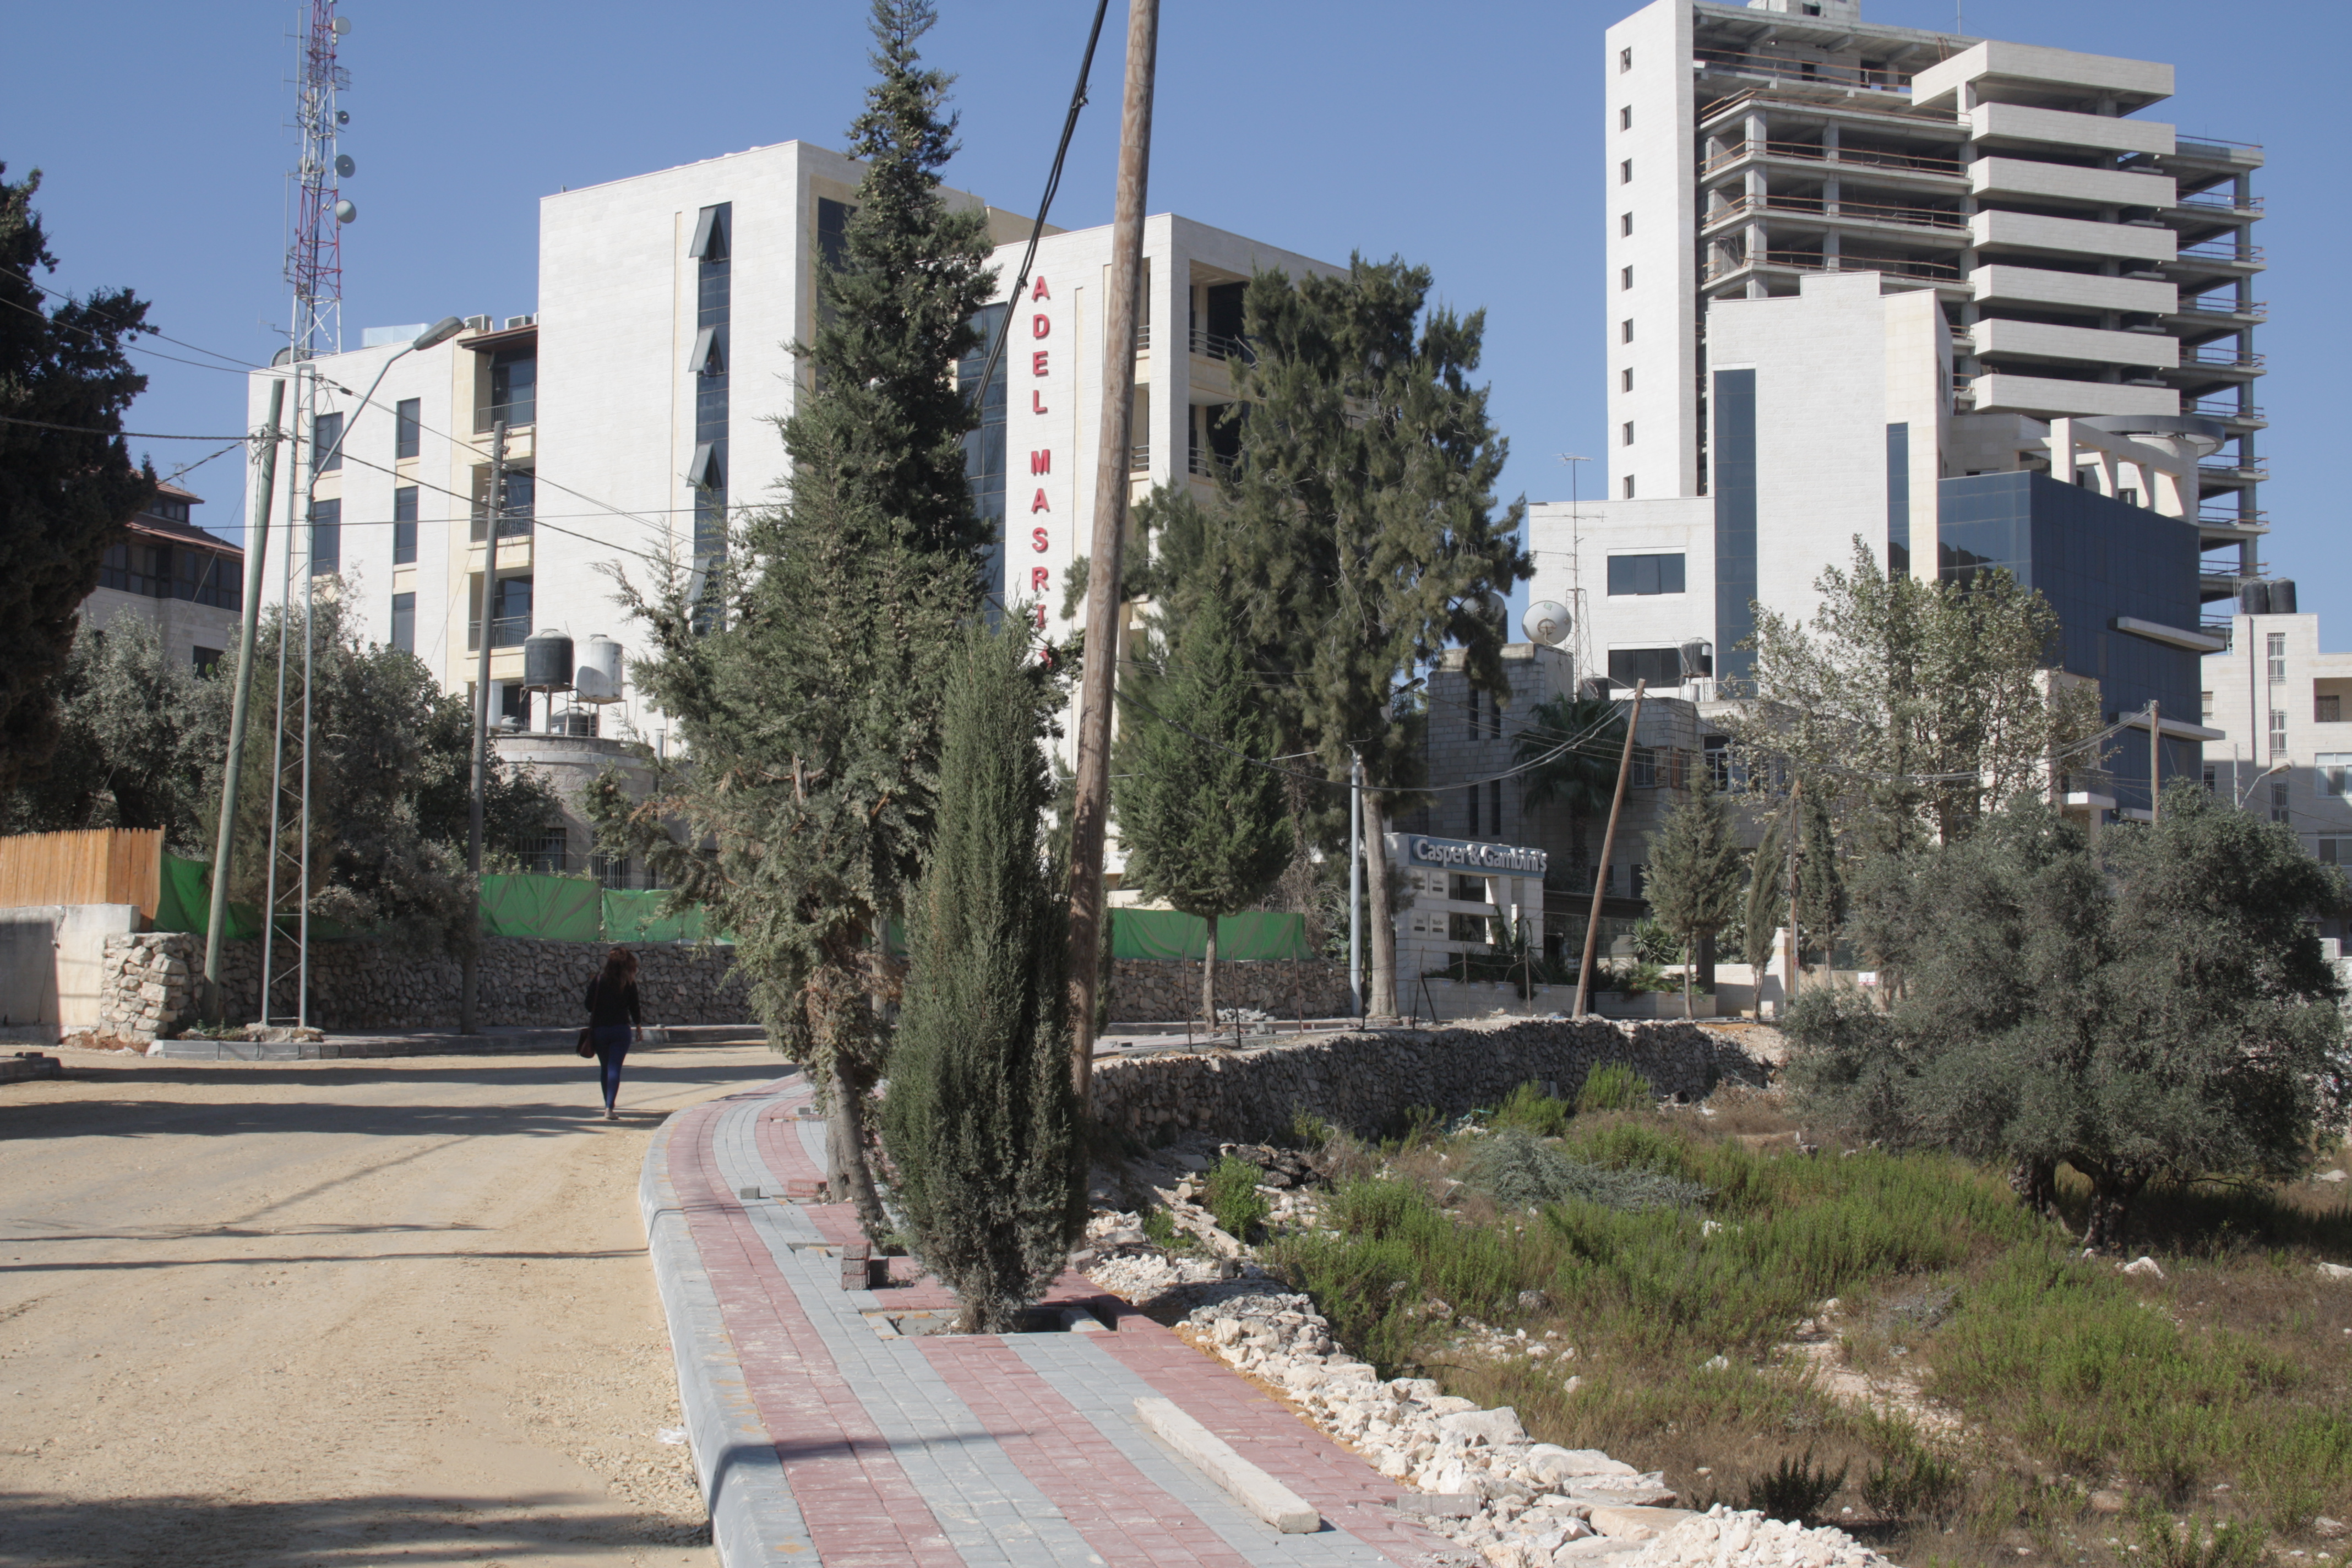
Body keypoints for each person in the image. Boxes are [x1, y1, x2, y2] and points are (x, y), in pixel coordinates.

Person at [584, 946, 642, 1121]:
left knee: (605, 1068)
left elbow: (588, 1005)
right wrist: (639, 1028)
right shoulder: (629, 983)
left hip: (600, 1030)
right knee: (614, 1067)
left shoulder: (599, 980)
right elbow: (635, 1008)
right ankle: (610, 1107)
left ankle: (607, 1105)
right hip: (621, 1030)